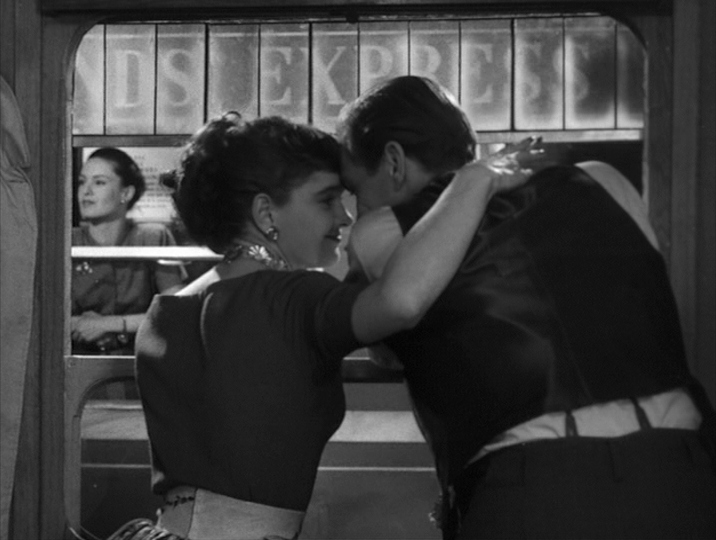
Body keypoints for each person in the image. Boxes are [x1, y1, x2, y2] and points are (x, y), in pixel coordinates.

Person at [110, 112, 533, 540]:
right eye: (326, 200)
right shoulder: (294, 299)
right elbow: (401, 302)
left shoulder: (165, 310)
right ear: (265, 212)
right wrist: (475, 180)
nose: (345, 217)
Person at [337, 75, 716, 540]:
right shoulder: (600, 179)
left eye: (355, 188)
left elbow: (382, 337)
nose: (354, 209)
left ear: (394, 162)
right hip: (681, 471)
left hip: (536, 486)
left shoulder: (380, 234)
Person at [71, 147, 186, 357]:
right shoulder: (66, 241)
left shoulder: (153, 237)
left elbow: (177, 310)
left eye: (99, 182)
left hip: (141, 359)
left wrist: (110, 325)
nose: (86, 191)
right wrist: (82, 326)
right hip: (76, 359)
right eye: (81, 182)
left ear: (126, 193)